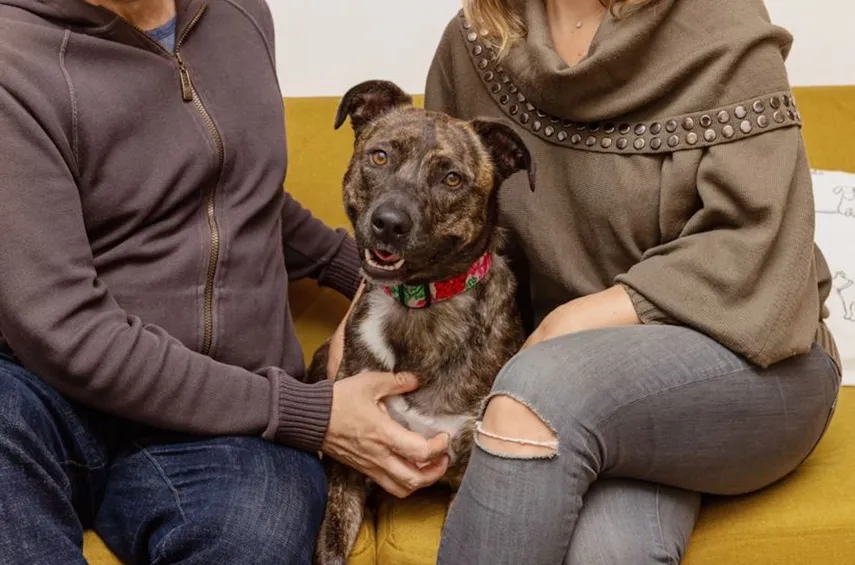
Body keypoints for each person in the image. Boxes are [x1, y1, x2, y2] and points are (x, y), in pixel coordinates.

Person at [0, 1, 448, 563]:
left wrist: (378, 277)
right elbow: (67, 331)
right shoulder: (13, 58)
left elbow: (243, 196)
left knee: (255, 532)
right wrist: (309, 413)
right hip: (55, 401)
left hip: (232, 413)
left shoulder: (241, 13)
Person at [415, 0, 842, 562]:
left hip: (753, 362)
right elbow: (431, 228)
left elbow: (758, 241)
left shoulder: (720, 20)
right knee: (612, 552)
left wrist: (573, 321)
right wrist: (356, 337)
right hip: (584, 396)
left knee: (537, 394)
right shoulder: (477, 40)